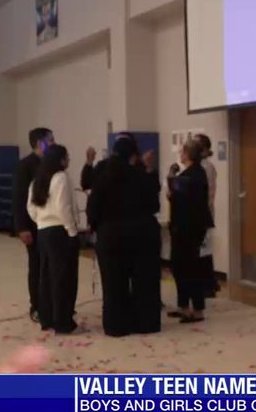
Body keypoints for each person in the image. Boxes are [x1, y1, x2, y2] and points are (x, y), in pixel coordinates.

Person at [86, 133, 162, 337]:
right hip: (143, 235)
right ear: (133, 156)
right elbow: (154, 206)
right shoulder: (141, 176)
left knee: (113, 284)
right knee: (144, 282)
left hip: (111, 236)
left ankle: (116, 325)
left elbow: (93, 209)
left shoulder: (103, 177)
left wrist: (96, 227)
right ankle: (146, 323)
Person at [27, 144, 80, 334]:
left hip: (43, 231)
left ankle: (47, 318)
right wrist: (72, 231)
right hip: (60, 231)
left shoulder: (37, 180)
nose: (69, 160)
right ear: (60, 159)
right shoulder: (61, 177)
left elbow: (31, 209)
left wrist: (42, 221)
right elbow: (63, 207)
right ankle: (63, 321)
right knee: (63, 278)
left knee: (46, 277)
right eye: (67, 157)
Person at [167, 140, 214, 323]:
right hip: (187, 226)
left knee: (189, 268)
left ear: (187, 154)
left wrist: (172, 187)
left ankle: (197, 309)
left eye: (182, 151)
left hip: (188, 228)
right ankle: (184, 306)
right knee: (181, 267)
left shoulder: (193, 175)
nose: (180, 154)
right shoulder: (193, 173)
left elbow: (180, 198)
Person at [12, 127, 54, 323]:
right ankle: (36, 305)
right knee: (36, 265)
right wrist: (22, 227)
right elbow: (19, 198)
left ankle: (51, 303)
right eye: (50, 140)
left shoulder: (51, 164)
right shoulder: (25, 166)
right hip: (32, 225)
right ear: (40, 143)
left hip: (49, 224)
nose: (53, 143)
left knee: (51, 266)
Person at [195, 133, 220, 294]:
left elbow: (205, 193)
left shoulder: (206, 167)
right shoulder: (198, 166)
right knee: (201, 249)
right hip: (199, 212)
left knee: (204, 249)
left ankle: (208, 284)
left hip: (204, 212)